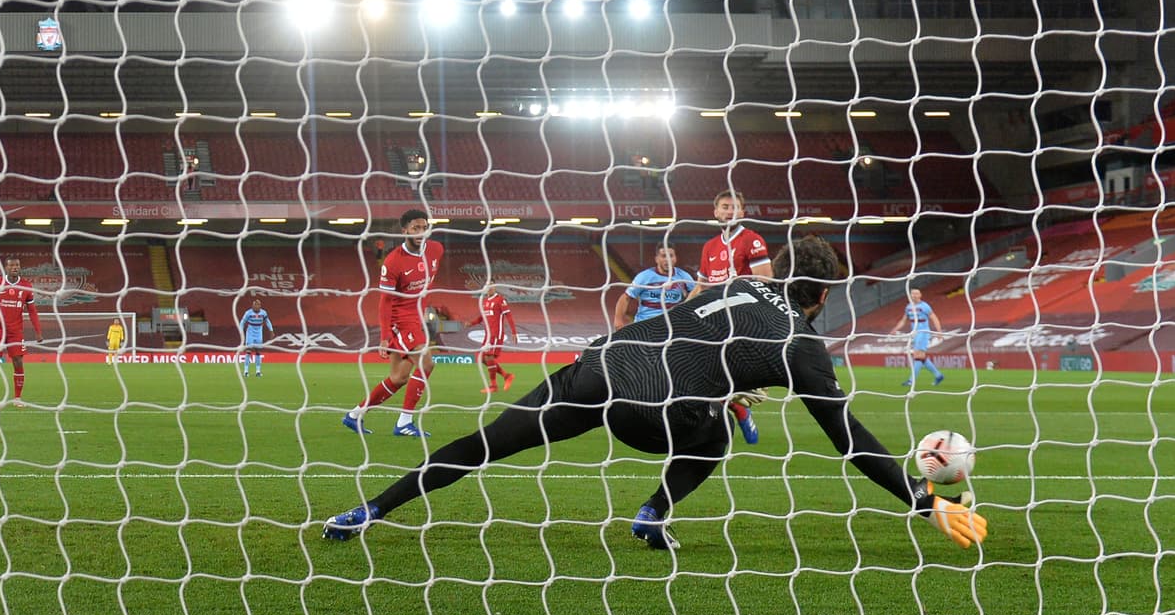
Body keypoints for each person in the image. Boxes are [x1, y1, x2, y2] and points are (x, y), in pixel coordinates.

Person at [323, 235, 988, 554]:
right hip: (650, 411)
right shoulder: (803, 344)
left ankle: (370, 510)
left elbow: (702, 333)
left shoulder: (735, 287)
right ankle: (652, 513)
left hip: (598, 368)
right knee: (718, 433)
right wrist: (923, 500)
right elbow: (851, 443)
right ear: (820, 295)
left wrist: (724, 381)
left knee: (487, 443)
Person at [342, 208, 443, 437]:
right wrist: (385, 336)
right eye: (415, 228)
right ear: (405, 230)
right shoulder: (394, 261)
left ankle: (354, 415)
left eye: (424, 227)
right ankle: (404, 423)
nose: (420, 232)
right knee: (427, 363)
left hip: (416, 319)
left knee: (398, 378)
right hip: (400, 320)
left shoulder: (437, 250)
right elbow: (385, 302)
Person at [686, 190, 773, 444]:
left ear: (742, 212)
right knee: (695, 373)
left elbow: (767, 280)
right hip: (714, 321)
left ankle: (735, 406)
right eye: (724, 207)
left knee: (756, 387)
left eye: (734, 207)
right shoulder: (710, 247)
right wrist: (679, 313)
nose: (729, 211)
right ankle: (730, 411)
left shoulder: (751, 240)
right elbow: (701, 286)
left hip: (744, 321)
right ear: (716, 211)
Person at [0, 257, 43, 408]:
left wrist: (38, 331)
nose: (15, 267)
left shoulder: (26, 286)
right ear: (6, 268)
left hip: (15, 332)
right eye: (12, 265)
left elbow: (32, 311)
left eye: (17, 265)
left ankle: (17, 398)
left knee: (18, 362)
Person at [613, 243, 696, 329]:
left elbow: (697, 294)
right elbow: (626, 297)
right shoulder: (644, 277)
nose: (668, 260)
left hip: (672, 325)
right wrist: (618, 320)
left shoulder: (683, 277)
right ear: (657, 259)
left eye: (671, 256)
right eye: (664, 256)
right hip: (645, 325)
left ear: (675, 258)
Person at [467, 285, 520, 393]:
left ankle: (493, 386)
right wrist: (471, 323)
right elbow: (481, 317)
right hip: (488, 335)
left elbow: (508, 315)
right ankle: (506, 376)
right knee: (482, 359)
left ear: (494, 289)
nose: (488, 289)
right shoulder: (485, 301)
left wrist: (514, 332)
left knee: (488, 358)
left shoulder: (500, 299)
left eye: (491, 287)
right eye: (487, 287)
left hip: (496, 334)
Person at [890, 288, 945, 387]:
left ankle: (911, 380)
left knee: (917, 356)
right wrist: (895, 329)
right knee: (921, 356)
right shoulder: (908, 307)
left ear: (920, 295)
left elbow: (934, 317)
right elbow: (903, 320)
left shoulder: (924, 306)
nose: (914, 295)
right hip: (915, 334)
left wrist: (939, 331)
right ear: (910, 295)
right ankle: (938, 375)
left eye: (916, 293)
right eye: (913, 294)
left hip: (923, 333)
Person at [239, 298, 275, 377]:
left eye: (257, 305)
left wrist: (271, 330)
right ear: (252, 305)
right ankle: (246, 371)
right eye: (254, 305)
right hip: (250, 333)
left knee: (258, 352)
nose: (255, 306)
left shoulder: (263, 313)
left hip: (259, 333)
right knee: (248, 351)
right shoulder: (248, 313)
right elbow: (242, 322)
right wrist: (241, 331)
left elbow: (267, 321)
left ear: (260, 306)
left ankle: (258, 371)